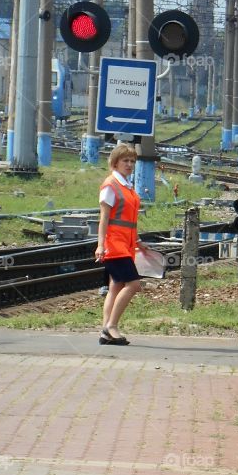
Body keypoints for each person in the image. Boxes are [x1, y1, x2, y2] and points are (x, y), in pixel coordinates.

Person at [95, 143, 147, 345]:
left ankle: (105, 330)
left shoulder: (127, 186)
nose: (130, 164)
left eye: (132, 161)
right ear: (115, 163)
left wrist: (139, 242)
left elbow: (128, 219)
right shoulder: (111, 185)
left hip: (126, 244)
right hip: (114, 244)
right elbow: (104, 219)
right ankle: (111, 327)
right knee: (133, 284)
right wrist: (101, 245)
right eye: (125, 160)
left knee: (115, 286)